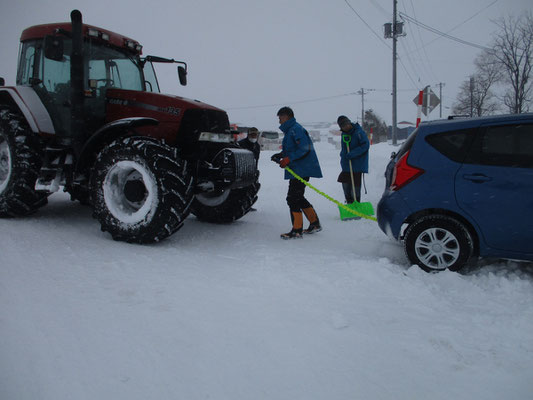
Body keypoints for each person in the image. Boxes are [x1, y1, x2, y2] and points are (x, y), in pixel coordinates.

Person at [271, 107, 323, 239]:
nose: (279, 120)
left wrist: (288, 159)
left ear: (287, 116)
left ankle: (297, 229)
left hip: (302, 169)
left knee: (292, 198)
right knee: (298, 197)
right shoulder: (291, 131)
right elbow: (292, 149)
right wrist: (281, 155)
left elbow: (305, 149)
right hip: (299, 169)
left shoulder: (296, 129)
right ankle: (314, 223)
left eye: (280, 117)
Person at [336, 115, 369, 205]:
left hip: (357, 165)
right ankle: (349, 202)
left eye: (347, 124)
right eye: (343, 126)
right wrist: (343, 155)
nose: (346, 127)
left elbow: (365, 145)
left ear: (349, 122)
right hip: (347, 164)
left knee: (355, 187)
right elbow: (344, 149)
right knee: (345, 183)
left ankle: (356, 203)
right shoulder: (344, 134)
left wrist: (353, 153)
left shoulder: (358, 132)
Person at [239, 127, 261, 211]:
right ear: (248, 134)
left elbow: (256, 159)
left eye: (255, 134)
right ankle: (241, 204)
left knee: (252, 189)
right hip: (243, 171)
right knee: (243, 189)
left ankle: (248, 204)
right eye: (252, 134)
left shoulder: (257, 146)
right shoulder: (241, 144)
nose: (253, 136)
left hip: (253, 170)